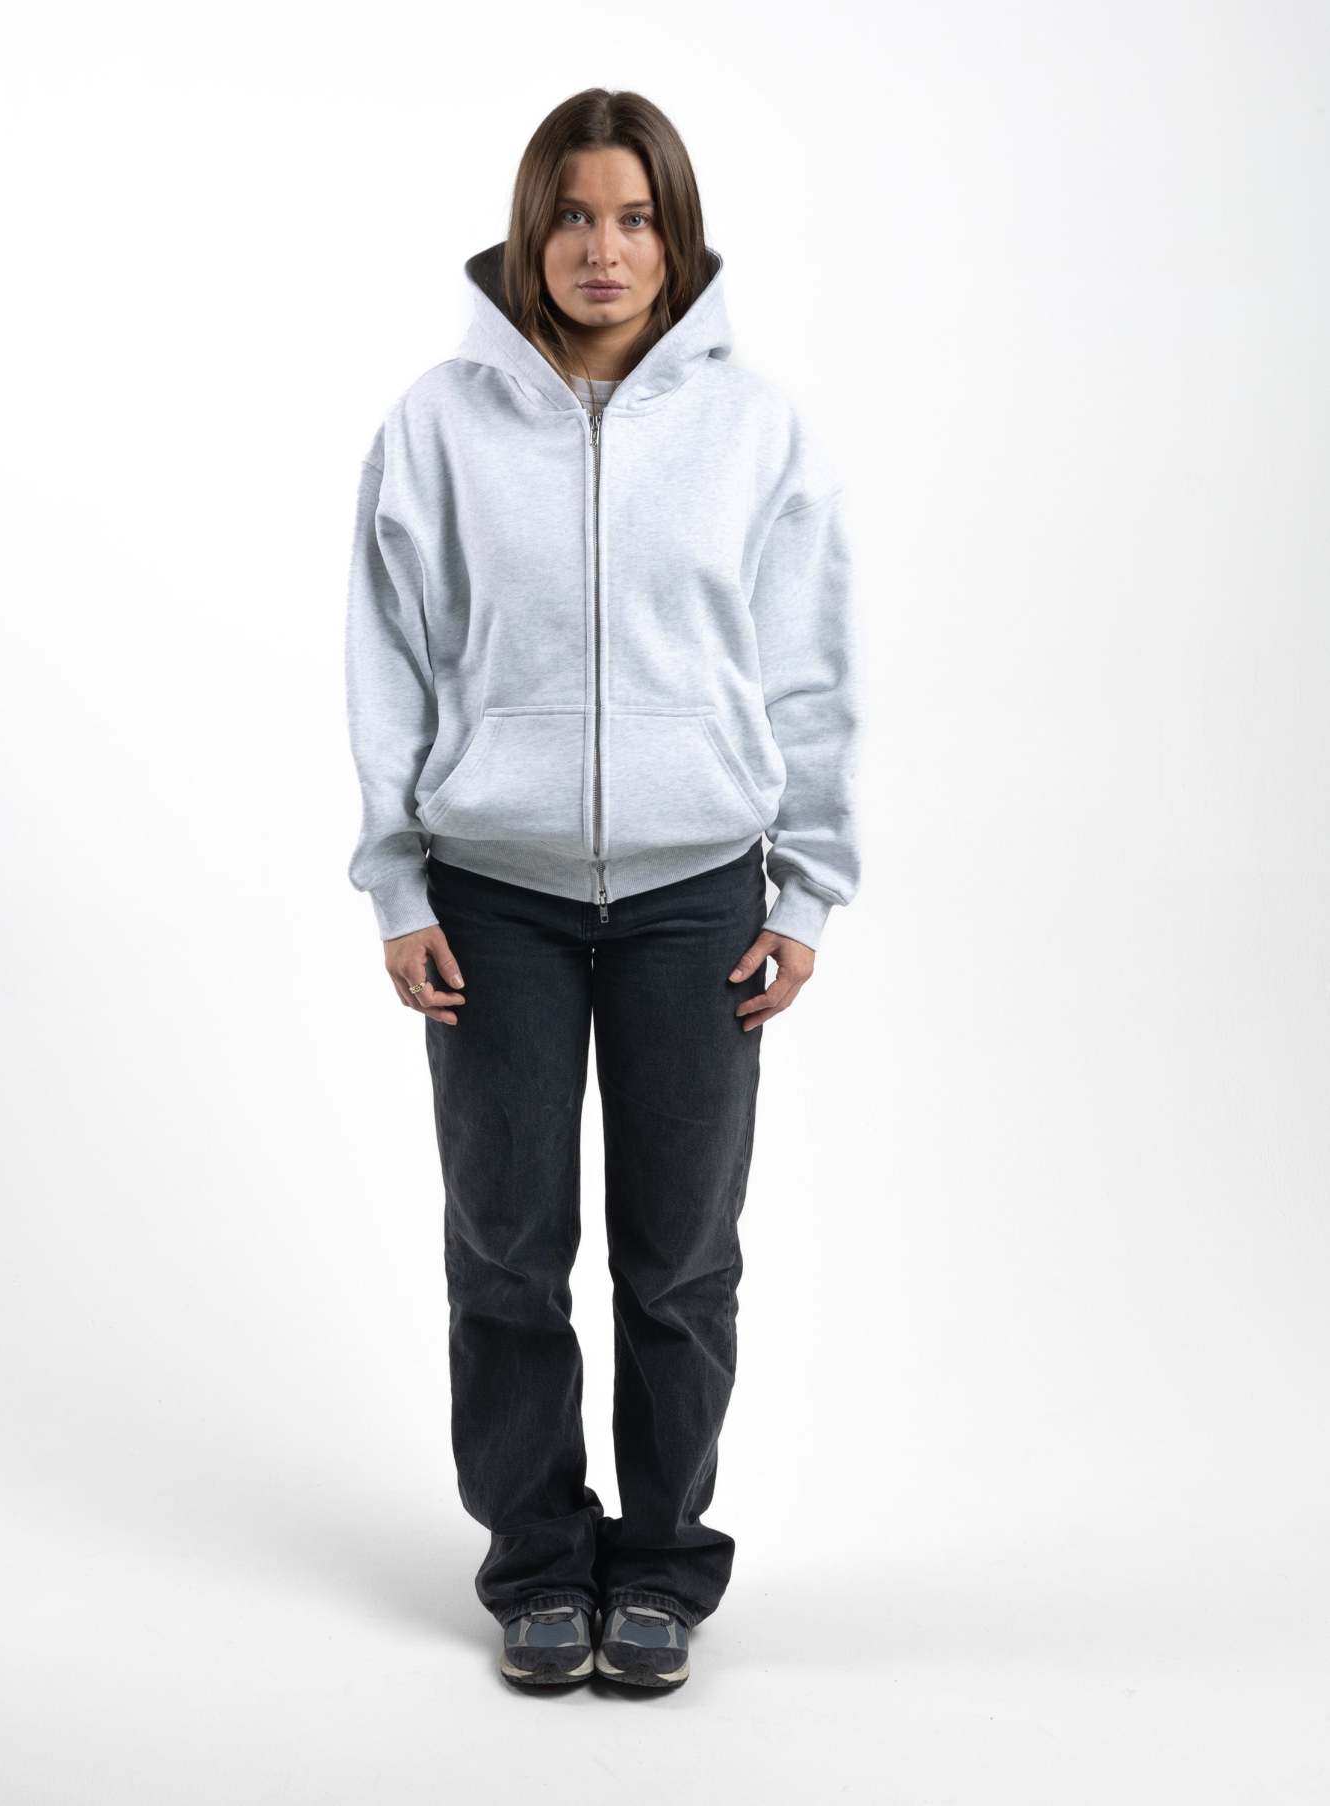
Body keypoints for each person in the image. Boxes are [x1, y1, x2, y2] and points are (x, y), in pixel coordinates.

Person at [343, 87, 860, 1689]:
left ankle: (663, 1561)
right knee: (505, 1248)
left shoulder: (753, 427)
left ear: (675, 236)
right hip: (489, 897)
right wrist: (397, 882)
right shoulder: (436, 425)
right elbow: (389, 661)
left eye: (635, 218)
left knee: (679, 1255)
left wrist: (805, 890)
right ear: (531, 227)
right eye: (573, 214)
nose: (602, 248)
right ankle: (535, 1563)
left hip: (697, 896)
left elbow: (806, 669)